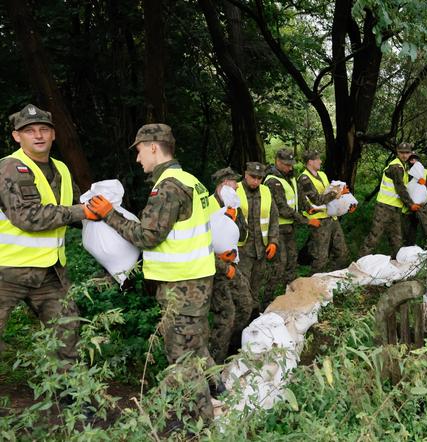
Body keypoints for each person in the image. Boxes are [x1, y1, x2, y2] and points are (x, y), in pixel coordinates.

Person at [87, 123, 217, 418]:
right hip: (197, 281)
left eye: (140, 151)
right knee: (196, 347)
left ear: (154, 147)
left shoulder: (169, 187)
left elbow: (148, 236)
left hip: (182, 286)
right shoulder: (191, 180)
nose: (137, 159)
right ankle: (221, 393)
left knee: (182, 357)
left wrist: (110, 215)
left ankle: (200, 423)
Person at [0, 104, 101, 369]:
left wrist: (107, 215)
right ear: (16, 137)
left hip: (49, 271)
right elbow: (27, 217)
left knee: (66, 330)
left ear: (54, 134)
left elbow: (75, 208)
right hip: (7, 271)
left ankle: (70, 396)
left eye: (44, 129)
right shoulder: (11, 168)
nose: (38, 135)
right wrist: (83, 211)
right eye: (29, 131)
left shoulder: (62, 170)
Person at [208, 167, 253, 364]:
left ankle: (233, 350)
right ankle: (214, 365)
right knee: (225, 314)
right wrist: (223, 266)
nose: (237, 186)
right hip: (212, 270)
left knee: (245, 304)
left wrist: (235, 216)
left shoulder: (233, 204)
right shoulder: (206, 206)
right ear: (223, 184)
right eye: (234, 183)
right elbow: (198, 245)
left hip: (231, 265)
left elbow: (242, 236)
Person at [264, 149, 320, 296]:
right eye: (286, 165)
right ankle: (267, 300)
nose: (290, 167)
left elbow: (299, 195)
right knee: (279, 265)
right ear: (278, 162)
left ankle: (292, 295)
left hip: (289, 227)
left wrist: (308, 208)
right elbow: (282, 208)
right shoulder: (272, 181)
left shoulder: (290, 177)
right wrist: (306, 221)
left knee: (292, 261)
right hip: (277, 229)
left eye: (291, 164)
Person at [358, 142, 419, 258]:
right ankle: (360, 262)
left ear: (410, 153)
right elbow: (401, 189)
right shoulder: (396, 167)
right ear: (397, 152)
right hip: (384, 207)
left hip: (395, 208)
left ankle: (397, 265)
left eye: (407, 153)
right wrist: (411, 205)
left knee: (396, 240)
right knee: (374, 237)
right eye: (402, 153)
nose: (404, 155)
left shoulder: (403, 166)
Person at [236, 162, 279, 312]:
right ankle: (240, 325)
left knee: (255, 288)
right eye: (252, 177)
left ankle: (253, 320)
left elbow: (274, 218)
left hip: (261, 250)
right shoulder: (234, 190)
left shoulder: (266, 191)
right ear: (245, 174)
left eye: (259, 178)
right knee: (242, 290)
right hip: (241, 251)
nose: (256, 181)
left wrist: (273, 241)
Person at [297, 150, 349, 272]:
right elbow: (317, 200)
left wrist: (341, 194)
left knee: (341, 251)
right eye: (318, 159)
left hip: (331, 217)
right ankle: (314, 286)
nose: (320, 161)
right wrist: (335, 193)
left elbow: (328, 194)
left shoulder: (322, 174)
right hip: (319, 221)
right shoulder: (304, 179)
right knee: (320, 257)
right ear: (310, 162)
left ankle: (337, 280)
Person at [403, 152, 427, 249]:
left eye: (415, 159)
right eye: (411, 159)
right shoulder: (405, 173)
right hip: (409, 205)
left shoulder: (426, 173)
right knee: (408, 226)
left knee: (419, 212)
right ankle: (409, 247)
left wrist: (425, 183)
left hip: (425, 203)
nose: (414, 161)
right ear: (408, 161)